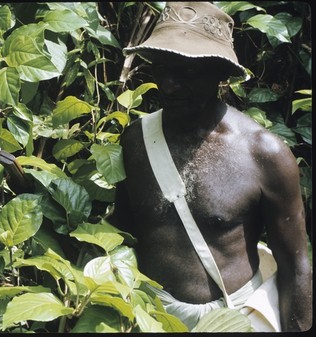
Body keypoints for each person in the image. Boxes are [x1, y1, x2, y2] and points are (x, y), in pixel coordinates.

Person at [110, 1, 312, 332]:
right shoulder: (136, 141)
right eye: (161, 68)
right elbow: (122, 230)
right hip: (149, 316)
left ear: (219, 73)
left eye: (187, 71)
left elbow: (296, 264)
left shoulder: (264, 154)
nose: (168, 85)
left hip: (234, 319)